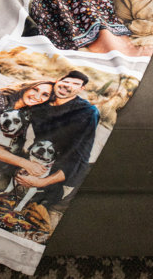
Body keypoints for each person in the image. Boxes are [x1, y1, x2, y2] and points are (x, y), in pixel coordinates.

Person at [16, 70, 100, 208]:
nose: (68, 86)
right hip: (37, 157)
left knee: (41, 204)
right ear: (57, 81)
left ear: (81, 88)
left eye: (75, 84)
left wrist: (41, 182)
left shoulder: (87, 112)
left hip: (65, 168)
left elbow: (78, 156)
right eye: (65, 81)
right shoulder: (42, 101)